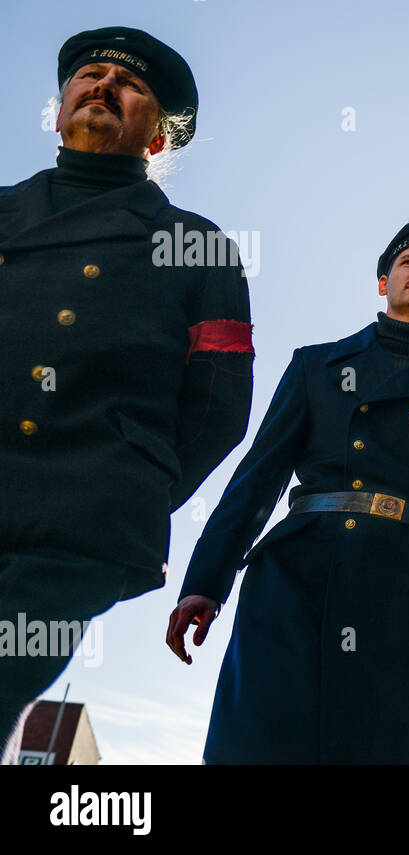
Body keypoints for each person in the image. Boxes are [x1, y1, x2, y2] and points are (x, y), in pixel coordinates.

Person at [165, 217, 409, 764]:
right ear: (383, 282)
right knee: (263, 744)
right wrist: (205, 581)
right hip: (295, 581)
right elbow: (257, 479)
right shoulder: (315, 366)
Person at [0, 27, 253, 748]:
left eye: (129, 83)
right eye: (91, 73)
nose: (104, 83)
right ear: (59, 108)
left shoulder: (197, 246)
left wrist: (126, 483)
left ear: (158, 138)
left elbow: (218, 406)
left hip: (76, 531)